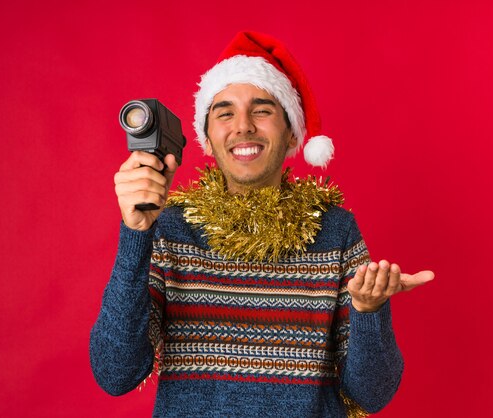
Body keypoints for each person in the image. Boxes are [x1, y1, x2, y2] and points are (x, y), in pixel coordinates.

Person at [90, 31, 434, 417]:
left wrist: (369, 310)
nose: (243, 126)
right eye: (224, 112)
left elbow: (374, 394)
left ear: (290, 132)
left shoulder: (336, 232)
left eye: (262, 109)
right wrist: (136, 235)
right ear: (207, 136)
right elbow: (114, 373)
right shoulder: (169, 229)